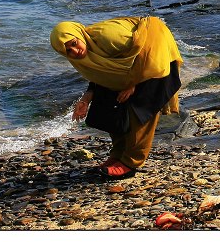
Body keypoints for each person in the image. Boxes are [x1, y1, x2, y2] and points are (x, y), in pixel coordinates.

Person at [50, 16, 183, 180]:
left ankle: (130, 162)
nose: (75, 51)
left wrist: (134, 83)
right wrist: (86, 99)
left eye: (74, 43)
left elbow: (146, 47)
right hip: (130, 69)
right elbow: (102, 75)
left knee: (140, 109)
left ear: (79, 34)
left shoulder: (108, 37)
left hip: (157, 54)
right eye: (68, 50)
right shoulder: (84, 56)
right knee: (107, 102)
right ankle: (118, 154)